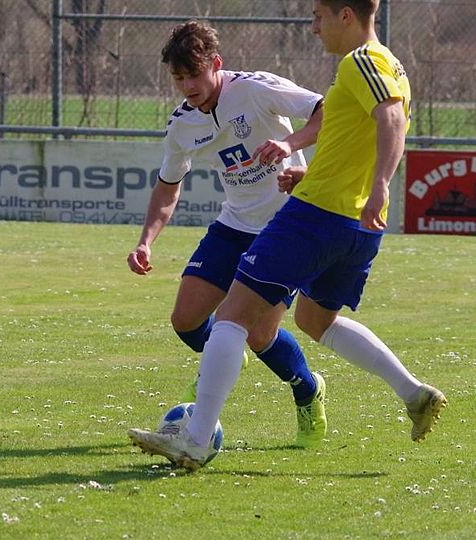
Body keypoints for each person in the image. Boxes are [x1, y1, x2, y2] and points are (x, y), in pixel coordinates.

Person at [128, 0, 446, 471]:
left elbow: (388, 118)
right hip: (342, 218)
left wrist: (377, 183)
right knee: (315, 321)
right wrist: (316, 176)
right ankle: (413, 392)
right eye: (179, 78)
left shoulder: (360, 61)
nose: (313, 26)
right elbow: (352, 137)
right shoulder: (388, 64)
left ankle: (197, 438)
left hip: (309, 217)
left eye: (319, 15)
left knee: (236, 320)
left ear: (345, 15)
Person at [126, 21, 328, 448]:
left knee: (260, 336)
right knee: (185, 321)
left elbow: (325, 110)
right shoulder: (182, 124)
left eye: (195, 75)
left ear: (215, 64)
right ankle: (224, 351)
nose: (188, 87)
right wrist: (146, 241)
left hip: (286, 226)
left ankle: (308, 390)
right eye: (179, 78)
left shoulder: (255, 89)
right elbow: (168, 185)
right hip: (234, 224)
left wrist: (290, 145)